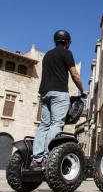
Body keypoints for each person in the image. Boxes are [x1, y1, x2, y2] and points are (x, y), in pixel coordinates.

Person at [30, 30, 87, 170]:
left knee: (44, 124)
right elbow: (74, 74)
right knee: (57, 123)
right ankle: (49, 156)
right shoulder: (66, 53)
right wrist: (82, 90)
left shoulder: (47, 55)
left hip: (44, 93)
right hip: (59, 93)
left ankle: (36, 159)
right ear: (67, 42)